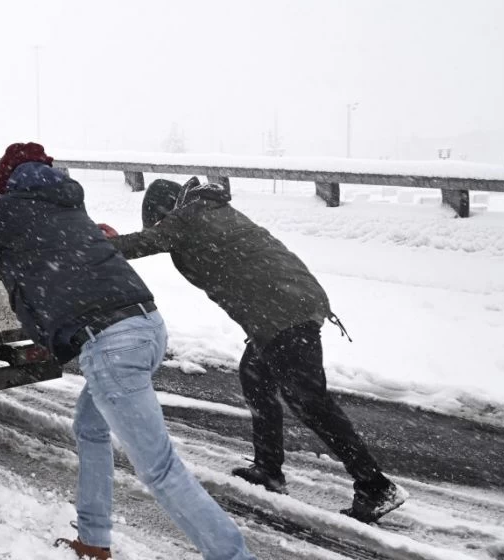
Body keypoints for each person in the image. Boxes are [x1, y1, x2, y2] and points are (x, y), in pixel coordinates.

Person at [0, 143, 254, 560]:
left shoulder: (10, 211)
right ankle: (93, 541)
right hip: (146, 326)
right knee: (90, 427)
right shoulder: (70, 208)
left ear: (7, 180)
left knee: (158, 468)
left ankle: (232, 556)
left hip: (110, 343)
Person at [103, 177, 407, 524]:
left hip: (284, 313)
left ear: (166, 209)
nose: (161, 226)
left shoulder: (190, 216)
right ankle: (268, 470)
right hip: (284, 308)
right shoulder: (210, 211)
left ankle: (374, 484)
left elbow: (143, 243)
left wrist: (94, 243)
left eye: (159, 219)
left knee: (310, 402)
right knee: (257, 381)